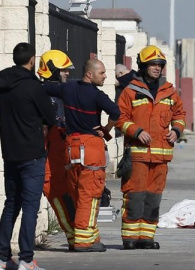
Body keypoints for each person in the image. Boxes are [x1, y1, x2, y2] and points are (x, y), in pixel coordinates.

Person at [45, 59, 120, 252]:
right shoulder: (97, 95)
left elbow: (46, 88)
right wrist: (106, 129)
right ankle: (83, 241)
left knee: (77, 194)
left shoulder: (68, 89)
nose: (105, 76)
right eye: (102, 73)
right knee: (91, 195)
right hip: (91, 149)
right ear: (89, 74)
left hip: (70, 148)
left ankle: (93, 238)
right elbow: (115, 112)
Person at [116, 45, 186, 250]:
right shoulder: (130, 91)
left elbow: (180, 115)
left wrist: (177, 131)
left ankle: (146, 237)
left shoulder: (170, 91)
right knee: (135, 195)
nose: (157, 68)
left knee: (154, 197)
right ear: (143, 66)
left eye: (160, 65)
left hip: (161, 155)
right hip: (137, 155)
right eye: (153, 64)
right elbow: (120, 117)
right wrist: (136, 131)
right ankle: (130, 237)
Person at [0, 42, 55, 270]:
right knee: (31, 206)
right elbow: (50, 117)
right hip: (32, 154)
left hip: (10, 153)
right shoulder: (34, 87)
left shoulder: (2, 84)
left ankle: (2, 257)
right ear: (32, 60)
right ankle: (26, 259)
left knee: (11, 204)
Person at [37, 50, 76, 251]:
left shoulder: (61, 92)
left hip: (61, 154)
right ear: (52, 70)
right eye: (63, 70)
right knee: (57, 193)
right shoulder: (44, 93)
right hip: (48, 157)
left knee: (66, 194)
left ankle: (75, 235)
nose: (67, 73)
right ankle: (73, 236)